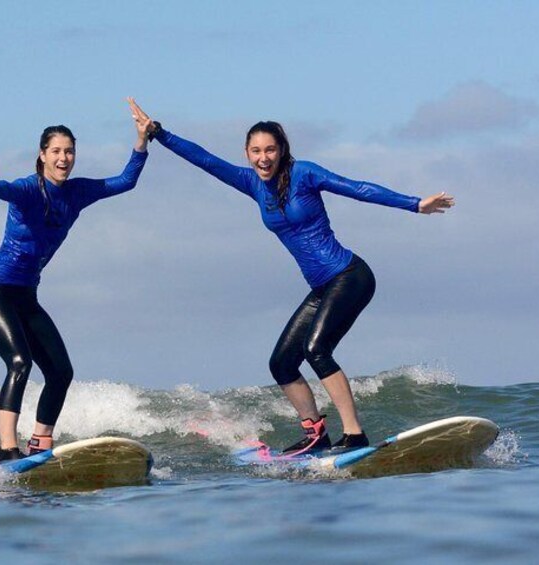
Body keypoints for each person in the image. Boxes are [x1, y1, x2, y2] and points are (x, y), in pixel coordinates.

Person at [128, 98, 454, 454]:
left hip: (349, 276)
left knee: (317, 349)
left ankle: (355, 434)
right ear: (247, 153)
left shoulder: (305, 174)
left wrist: (415, 203)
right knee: (281, 363)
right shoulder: (251, 183)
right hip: (322, 287)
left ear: (282, 150)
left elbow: (357, 187)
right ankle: (316, 433)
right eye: (255, 151)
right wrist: (157, 133)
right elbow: (204, 159)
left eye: (270, 149)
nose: (263, 157)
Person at [0, 111, 152, 462]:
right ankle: (7, 449)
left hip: (26, 296)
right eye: (56, 151)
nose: (63, 158)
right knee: (20, 362)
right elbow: (4, 189)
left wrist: (141, 141)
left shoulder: (78, 192)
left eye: (69, 151)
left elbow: (126, 180)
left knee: (60, 372)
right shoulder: (27, 189)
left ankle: (40, 443)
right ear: (42, 155)